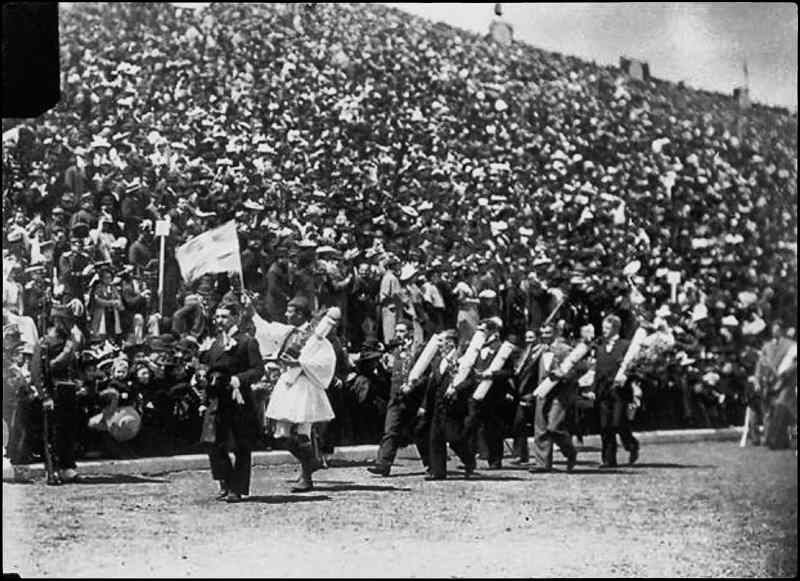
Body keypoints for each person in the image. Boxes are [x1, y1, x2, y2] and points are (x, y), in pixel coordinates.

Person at [264, 296, 337, 492]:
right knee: (280, 434)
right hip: (288, 383)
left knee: (302, 432)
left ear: (299, 314)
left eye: (290, 311)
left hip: (305, 385)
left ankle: (306, 477)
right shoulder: (290, 333)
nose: (286, 315)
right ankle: (311, 461)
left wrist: (301, 364)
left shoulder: (315, 336)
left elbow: (326, 361)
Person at [200, 300, 265, 503]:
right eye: (217, 316)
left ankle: (236, 488)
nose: (219, 320)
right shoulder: (215, 342)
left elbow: (258, 369)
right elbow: (209, 369)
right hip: (217, 399)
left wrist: (240, 379)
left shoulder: (247, 341)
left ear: (236, 318)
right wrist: (202, 382)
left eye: (224, 316)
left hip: (238, 399)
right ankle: (225, 481)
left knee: (241, 445)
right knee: (213, 443)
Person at [367, 321, 427, 477]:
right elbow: (391, 374)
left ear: (411, 333)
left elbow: (425, 376)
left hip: (414, 398)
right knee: (390, 430)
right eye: (397, 331)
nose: (398, 334)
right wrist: (383, 368)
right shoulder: (395, 351)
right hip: (396, 397)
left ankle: (432, 464)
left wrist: (413, 387)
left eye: (401, 331)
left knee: (420, 432)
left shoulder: (418, 350)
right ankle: (383, 464)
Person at [527, 325, 588, 473]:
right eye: (542, 333)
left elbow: (580, 368)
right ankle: (543, 463)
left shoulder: (565, 349)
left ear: (555, 333)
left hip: (560, 393)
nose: (545, 335)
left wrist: (564, 376)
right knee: (540, 427)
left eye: (548, 332)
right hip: (542, 391)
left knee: (553, 427)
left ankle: (570, 452)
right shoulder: (539, 350)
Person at [588, 314, 640, 468]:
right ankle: (609, 460)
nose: (604, 330)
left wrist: (626, 377)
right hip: (603, 391)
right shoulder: (600, 346)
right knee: (605, 426)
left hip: (620, 392)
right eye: (603, 327)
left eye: (607, 327)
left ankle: (631, 445)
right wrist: (592, 389)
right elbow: (595, 370)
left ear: (616, 328)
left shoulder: (625, 345)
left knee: (617, 423)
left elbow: (633, 366)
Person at [426, 329, 476, 479]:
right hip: (438, 405)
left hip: (454, 406)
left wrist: (456, 389)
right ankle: (438, 471)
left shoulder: (461, 359)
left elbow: (470, 381)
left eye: (441, 341)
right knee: (436, 438)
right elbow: (432, 384)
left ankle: (469, 460)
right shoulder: (437, 361)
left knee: (454, 438)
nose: (438, 344)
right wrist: (425, 406)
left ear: (450, 343)